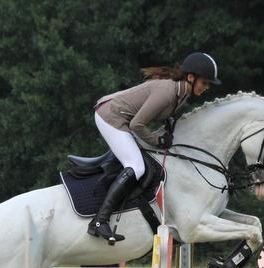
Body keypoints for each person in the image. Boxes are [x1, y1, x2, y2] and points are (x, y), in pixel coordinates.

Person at [88, 52, 221, 243]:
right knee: (136, 166)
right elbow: (137, 125)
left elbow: (162, 116)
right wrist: (157, 141)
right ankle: (99, 221)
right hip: (110, 116)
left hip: (123, 117)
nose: (206, 87)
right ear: (191, 77)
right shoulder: (167, 92)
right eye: (205, 83)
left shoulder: (182, 93)